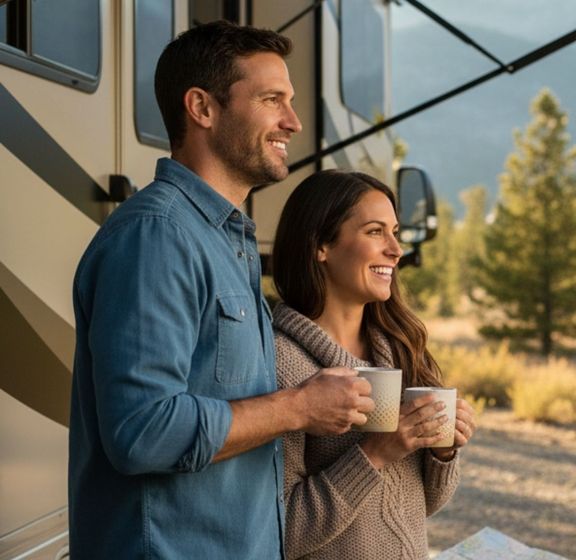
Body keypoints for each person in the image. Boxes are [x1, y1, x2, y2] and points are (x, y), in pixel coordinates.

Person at [69, 21, 374, 558]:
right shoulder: (157, 236)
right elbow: (142, 430)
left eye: (291, 101)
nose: (293, 121)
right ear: (202, 109)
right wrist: (298, 407)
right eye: (272, 99)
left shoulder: (223, 239)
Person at [271, 170, 477, 559]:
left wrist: (442, 451)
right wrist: (376, 453)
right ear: (321, 246)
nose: (396, 250)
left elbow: (423, 504)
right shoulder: (283, 365)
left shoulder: (398, 349)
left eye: (395, 232)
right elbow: (282, 530)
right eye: (375, 232)